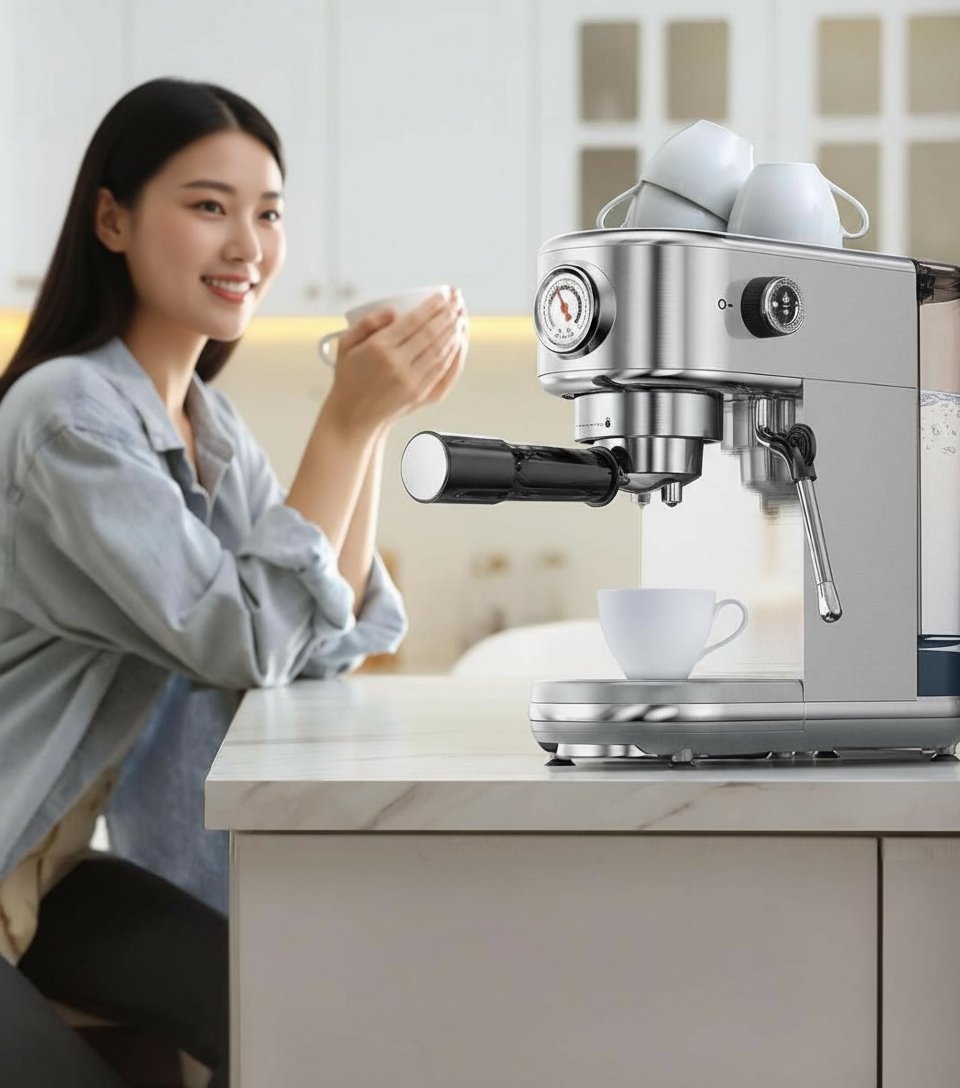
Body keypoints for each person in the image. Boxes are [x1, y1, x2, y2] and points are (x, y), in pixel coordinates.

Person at [0, 77, 466, 1086]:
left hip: (45, 870)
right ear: (113, 219)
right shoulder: (69, 418)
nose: (248, 244)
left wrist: (372, 421)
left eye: (268, 212)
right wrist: (342, 421)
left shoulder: (207, 429)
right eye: (210, 206)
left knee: (286, 1009)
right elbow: (242, 639)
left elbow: (317, 641)